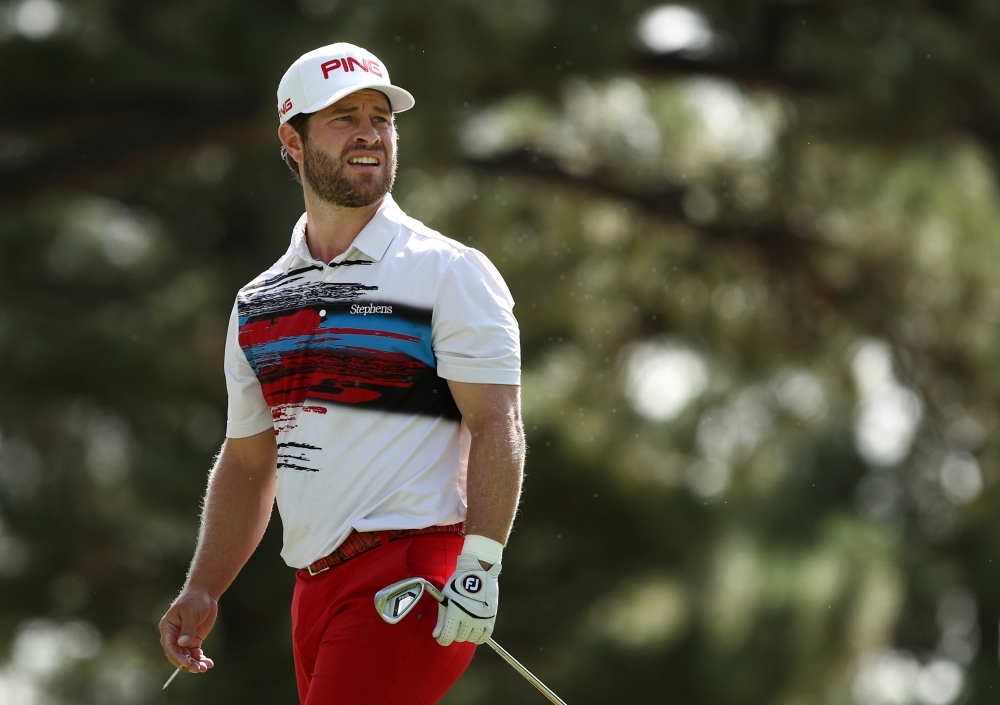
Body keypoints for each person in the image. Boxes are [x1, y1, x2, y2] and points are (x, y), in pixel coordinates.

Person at [158, 42, 524, 705]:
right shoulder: (259, 300)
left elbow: (496, 422)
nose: (369, 132)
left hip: (415, 576)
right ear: (292, 141)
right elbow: (247, 463)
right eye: (343, 116)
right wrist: (203, 585)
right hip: (314, 589)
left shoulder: (448, 271)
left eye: (380, 117)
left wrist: (481, 564)